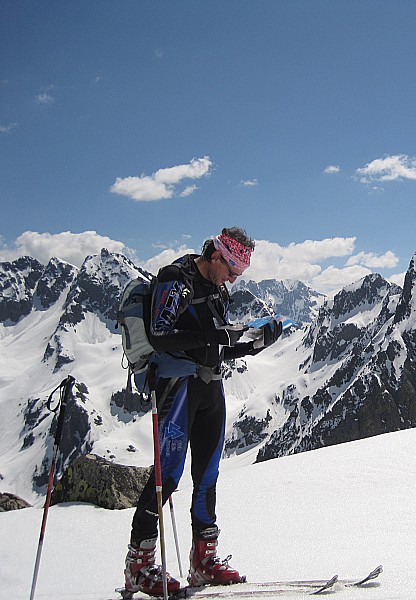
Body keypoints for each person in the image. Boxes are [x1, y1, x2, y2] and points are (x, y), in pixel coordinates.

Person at [123, 227, 283, 597]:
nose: (233, 278)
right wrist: (217, 337)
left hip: (209, 385)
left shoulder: (216, 290)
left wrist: (252, 345)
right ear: (215, 255)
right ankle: (138, 564)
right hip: (177, 386)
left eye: (238, 273)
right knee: (169, 475)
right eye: (231, 270)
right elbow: (161, 335)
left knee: (207, 473)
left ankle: (203, 560)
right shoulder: (176, 279)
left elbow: (216, 346)